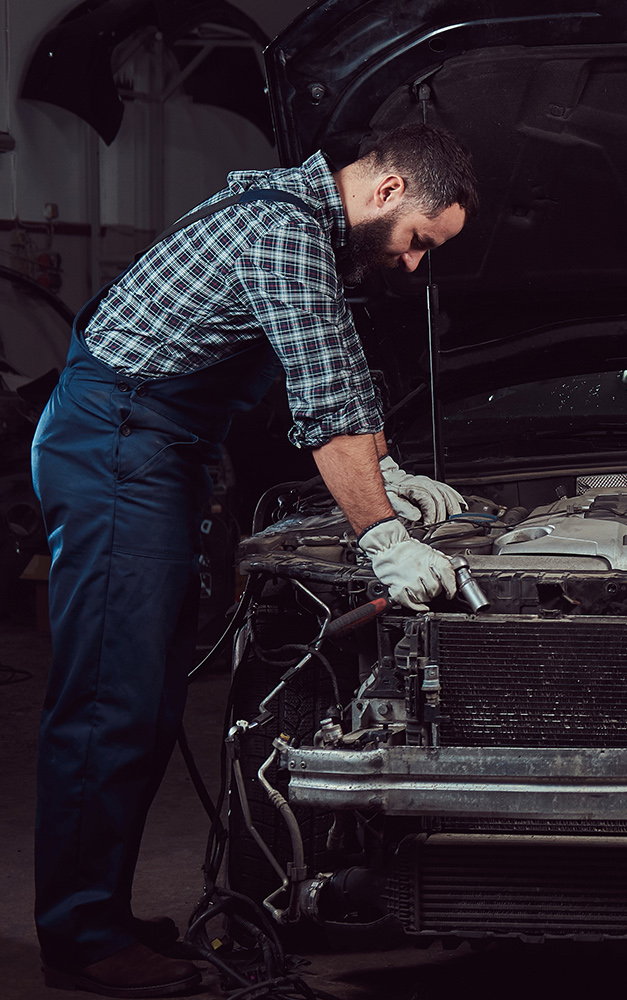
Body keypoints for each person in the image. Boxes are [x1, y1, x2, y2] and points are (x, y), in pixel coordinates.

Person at [32, 122, 479, 997]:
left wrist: (383, 470)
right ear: (387, 193)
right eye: (421, 242)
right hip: (118, 444)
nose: (417, 266)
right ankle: (81, 939)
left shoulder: (306, 228)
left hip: (153, 449)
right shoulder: (282, 230)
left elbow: (340, 369)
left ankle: (101, 916)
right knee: (107, 702)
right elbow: (326, 403)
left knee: (147, 699)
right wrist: (384, 538)